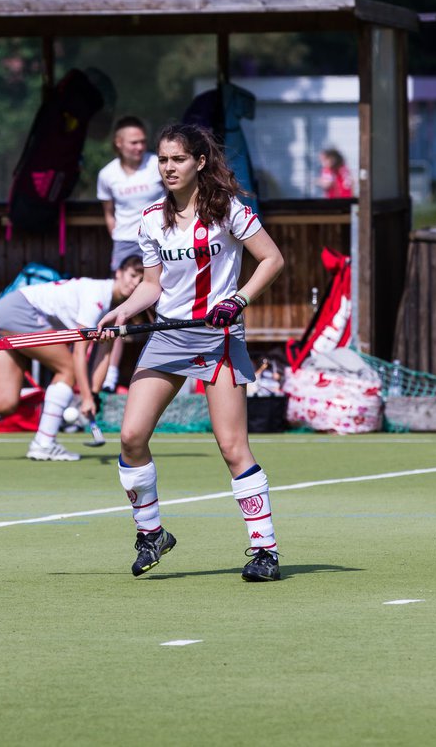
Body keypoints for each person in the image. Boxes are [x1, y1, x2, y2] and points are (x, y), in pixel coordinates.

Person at [95, 123, 286, 582]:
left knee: (232, 446)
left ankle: (265, 552)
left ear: (199, 162)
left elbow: (273, 259)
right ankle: (151, 534)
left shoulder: (230, 212)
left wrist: (237, 300)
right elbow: (152, 286)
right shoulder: (150, 220)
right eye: (162, 160)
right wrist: (120, 313)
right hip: (169, 336)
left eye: (177, 159)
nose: (168, 168)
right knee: (130, 437)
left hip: (217, 336)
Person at [0, 256, 146, 460]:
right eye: (132, 275)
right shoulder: (98, 296)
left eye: (141, 280)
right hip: (18, 311)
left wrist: (92, 393)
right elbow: (80, 352)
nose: (135, 283)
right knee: (67, 369)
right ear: (119, 272)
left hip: (3, 313)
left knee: (5, 401)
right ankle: (44, 443)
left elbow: (104, 353)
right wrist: (84, 397)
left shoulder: (117, 311)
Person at [96, 116, 163, 392]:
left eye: (143, 141)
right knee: (120, 310)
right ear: (119, 143)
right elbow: (109, 213)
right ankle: (110, 377)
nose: (139, 147)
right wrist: (118, 235)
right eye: (134, 142)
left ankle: (170, 369)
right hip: (125, 243)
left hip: (158, 239)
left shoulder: (157, 165)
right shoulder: (107, 174)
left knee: (161, 305)